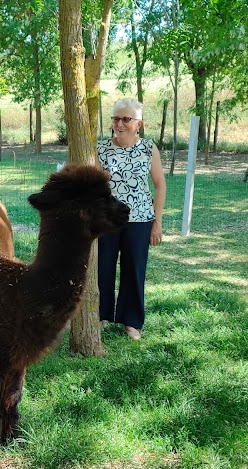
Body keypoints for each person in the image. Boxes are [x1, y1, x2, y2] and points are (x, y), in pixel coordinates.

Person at [96, 98, 166, 340]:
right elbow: (95, 187)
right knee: (102, 268)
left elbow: (159, 185)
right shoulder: (101, 149)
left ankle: (131, 321)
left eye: (126, 119)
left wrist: (157, 222)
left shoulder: (148, 148)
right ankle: (100, 316)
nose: (120, 123)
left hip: (139, 219)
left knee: (134, 269)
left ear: (139, 124)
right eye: (116, 118)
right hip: (107, 220)